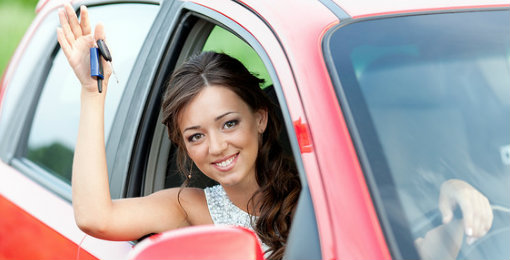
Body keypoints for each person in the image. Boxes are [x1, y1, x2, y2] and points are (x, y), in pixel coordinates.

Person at [56, 4, 493, 260]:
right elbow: (96, 217)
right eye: (196, 136)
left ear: (260, 118)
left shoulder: (321, 185)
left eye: (229, 123)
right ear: (185, 148)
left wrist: (457, 198)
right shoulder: (186, 207)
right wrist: (93, 94)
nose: (217, 147)